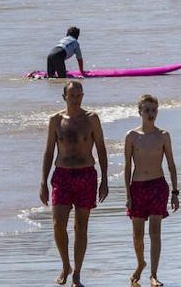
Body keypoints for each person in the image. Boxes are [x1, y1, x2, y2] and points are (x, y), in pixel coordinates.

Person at [40, 80, 108, 287]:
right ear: (64, 97)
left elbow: (102, 149)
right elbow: (49, 151)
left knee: (81, 227)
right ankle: (65, 265)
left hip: (86, 175)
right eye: (72, 96)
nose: (76, 100)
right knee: (58, 224)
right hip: (61, 176)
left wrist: (104, 179)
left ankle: (77, 273)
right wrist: (43, 181)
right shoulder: (55, 120)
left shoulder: (91, 119)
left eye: (79, 96)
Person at [124, 94, 179, 287]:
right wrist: (127, 195)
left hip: (158, 185)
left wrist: (175, 192)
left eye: (154, 110)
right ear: (139, 111)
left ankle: (153, 275)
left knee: (155, 231)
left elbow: (171, 164)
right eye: (147, 110)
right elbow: (127, 167)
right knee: (137, 235)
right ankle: (141, 263)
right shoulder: (131, 136)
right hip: (137, 187)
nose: (151, 114)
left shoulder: (163, 135)